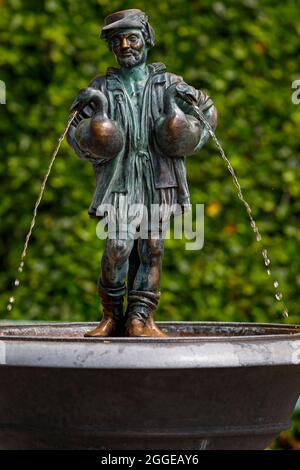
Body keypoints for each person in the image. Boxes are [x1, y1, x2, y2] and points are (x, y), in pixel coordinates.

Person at [67, 9, 217, 337]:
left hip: (158, 179)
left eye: (132, 37)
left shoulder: (170, 83)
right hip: (119, 182)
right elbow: (74, 130)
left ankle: (140, 318)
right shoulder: (101, 88)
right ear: (111, 47)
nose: (125, 45)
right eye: (117, 40)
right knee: (118, 246)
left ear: (146, 39)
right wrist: (88, 140)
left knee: (152, 247)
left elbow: (208, 111)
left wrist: (192, 139)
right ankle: (111, 315)